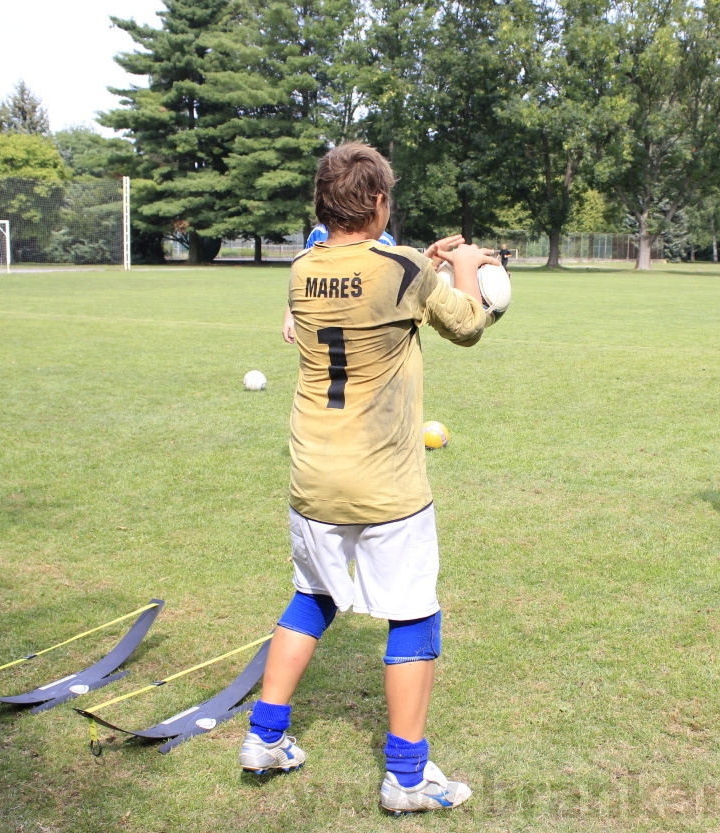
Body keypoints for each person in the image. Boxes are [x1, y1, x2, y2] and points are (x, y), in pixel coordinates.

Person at [238, 143, 492, 814]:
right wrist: (464, 269)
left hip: (314, 473)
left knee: (312, 596)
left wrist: (426, 264)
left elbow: (357, 279)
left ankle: (265, 737)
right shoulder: (402, 267)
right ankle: (408, 776)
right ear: (380, 202)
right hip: (384, 484)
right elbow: (465, 325)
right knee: (413, 614)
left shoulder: (300, 267)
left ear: (322, 202)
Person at [284, 226, 397, 342]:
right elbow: (305, 277)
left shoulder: (384, 240)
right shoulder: (320, 233)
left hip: (365, 316)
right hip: (326, 314)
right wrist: (290, 316)